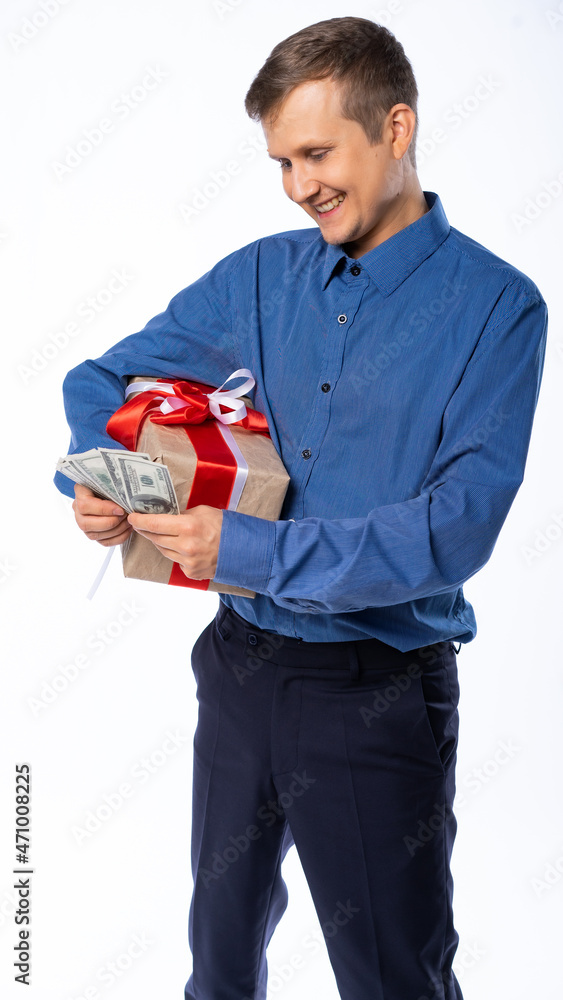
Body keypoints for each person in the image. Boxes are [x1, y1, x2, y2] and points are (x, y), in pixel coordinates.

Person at [54, 16, 548, 1000]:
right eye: (280, 160)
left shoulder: (498, 307)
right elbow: (100, 381)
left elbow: (454, 528)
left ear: (395, 128)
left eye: (316, 153)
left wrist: (245, 545)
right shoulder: (258, 276)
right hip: (237, 671)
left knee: (390, 978)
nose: (297, 184)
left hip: (374, 693)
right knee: (218, 964)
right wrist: (106, 484)